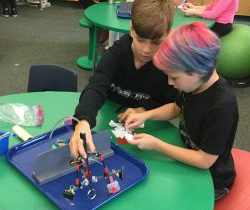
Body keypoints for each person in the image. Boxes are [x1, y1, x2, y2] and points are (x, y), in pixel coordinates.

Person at [125, 22, 239, 201]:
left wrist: (156, 145)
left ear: (197, 72)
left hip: (212, 179)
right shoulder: (193, 86)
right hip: (187, 157)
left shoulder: (221, 106)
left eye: (174, 77)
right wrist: (145, 115)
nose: (170, 83)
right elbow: (174, 108)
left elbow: (204, 160)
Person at [70, 0, 177, 158]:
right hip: (108, 120)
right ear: (132, 29)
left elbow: (172, 102)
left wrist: (144, 109)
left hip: (149, 132)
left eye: (156, 42)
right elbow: (96, 87)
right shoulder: (115, 55)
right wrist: (83, 121)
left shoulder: (170, 65)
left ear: (168, 33)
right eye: (141, 40)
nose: (147, 50)